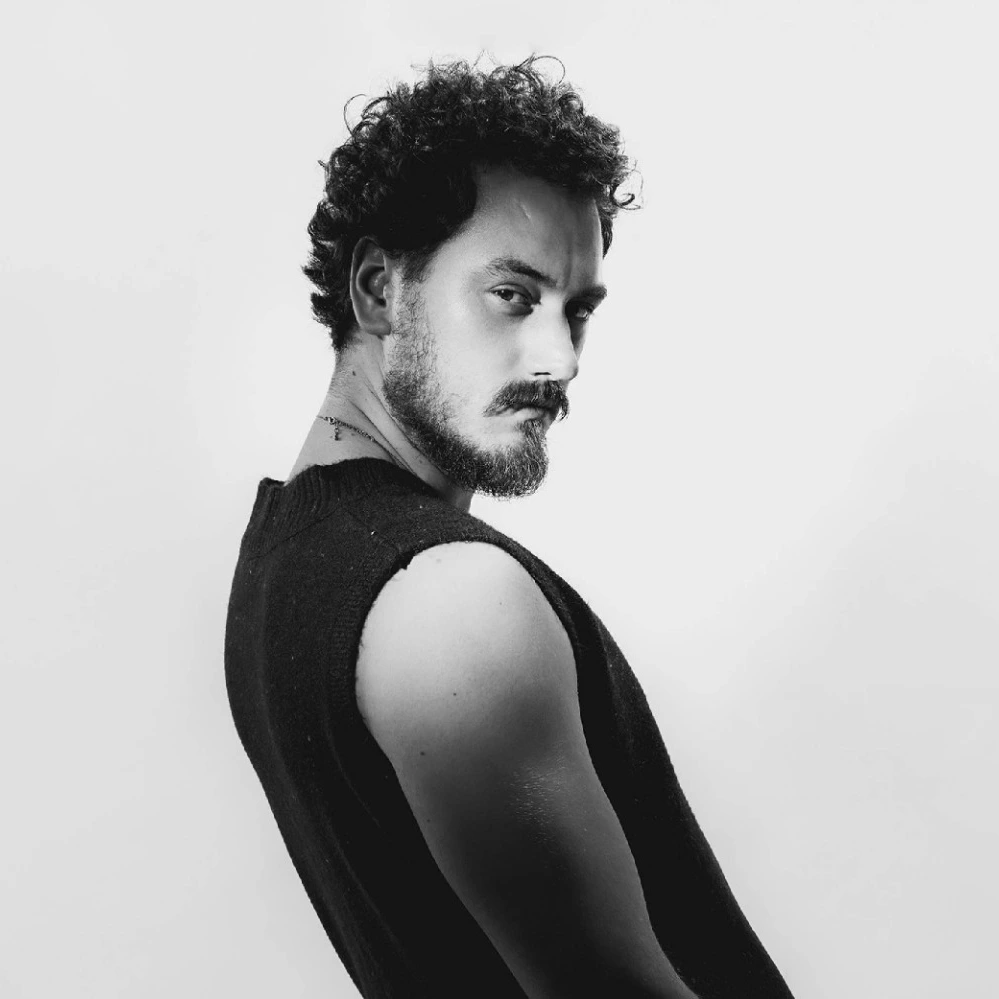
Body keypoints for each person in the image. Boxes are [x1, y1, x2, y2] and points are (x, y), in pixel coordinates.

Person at [225, 54, 795, 999]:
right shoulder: (449, 603)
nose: (558, 359)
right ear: (378, 288)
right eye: (513, 296)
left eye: (577, 311)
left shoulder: (283, 556)